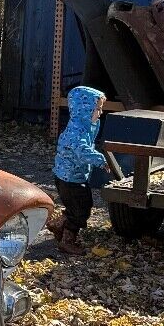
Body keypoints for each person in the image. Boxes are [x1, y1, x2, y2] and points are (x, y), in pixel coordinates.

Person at [48, 85, 108, 255]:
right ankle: (67, 240)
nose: (100, 113)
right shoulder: (77, 132)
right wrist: (100, 160)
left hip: (71, 176)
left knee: (79, 205)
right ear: (85, 109)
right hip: (70, 179)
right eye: (97, 109)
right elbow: (82, 151)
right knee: (81, 210)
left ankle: (59, 224)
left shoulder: (84, 126)